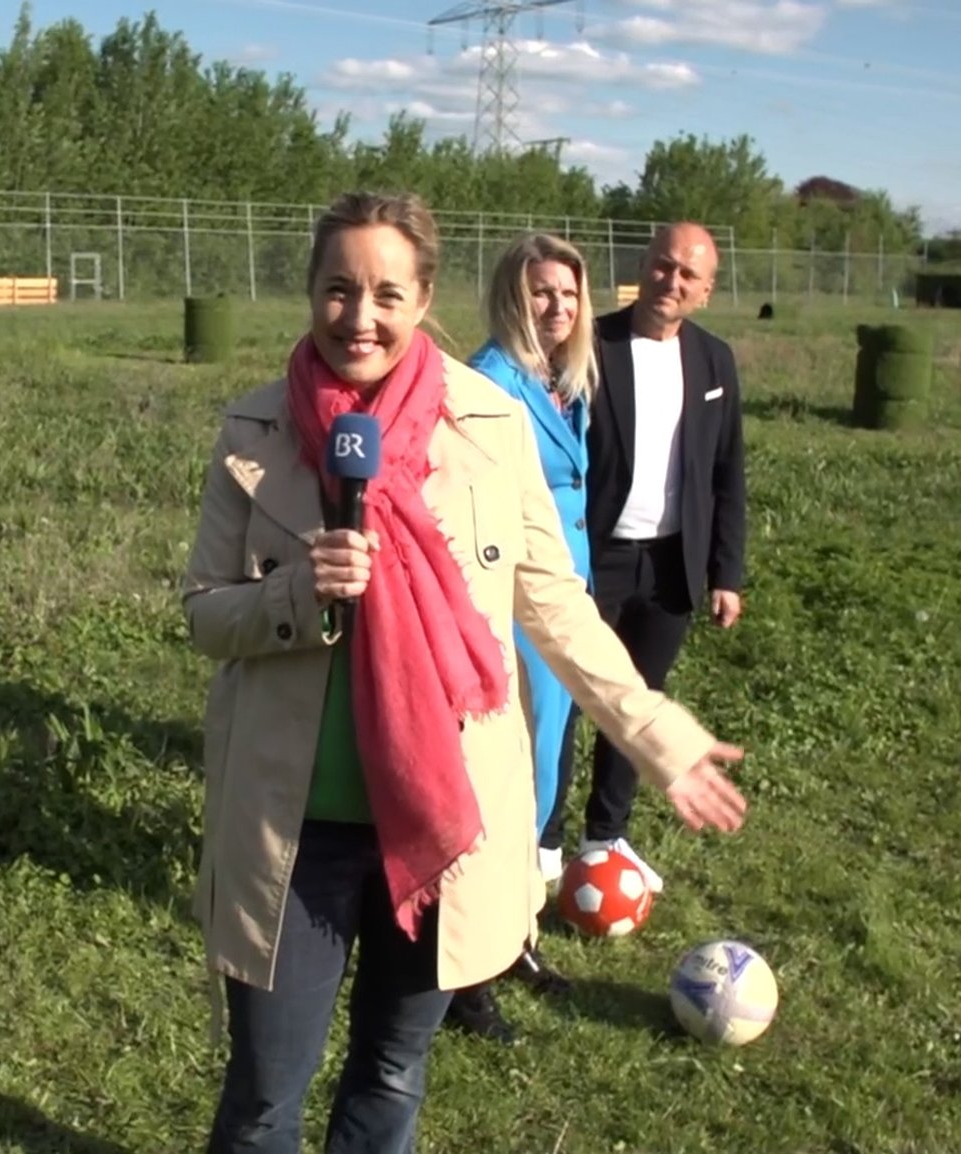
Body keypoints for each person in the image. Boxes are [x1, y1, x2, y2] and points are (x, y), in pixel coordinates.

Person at [179, 191, 748, 1154]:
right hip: (294, 830)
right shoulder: (255, 430)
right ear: (310, 293)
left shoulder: (488, 423)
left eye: (386, 293)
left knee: (392, 1075)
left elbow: (557, 604)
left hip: (442, 824)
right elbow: (203, 615)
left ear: (425, 295)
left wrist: (655, 734)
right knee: (266, 1094)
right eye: (338, 290)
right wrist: (294, 598)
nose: (360, 317)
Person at [546, 221, 749, 895]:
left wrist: (726, 572)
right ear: (644, 265)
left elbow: (728, 473)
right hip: (591, 557)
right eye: (663, 267)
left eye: (688, 276)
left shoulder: (715, 361)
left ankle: (606, 837)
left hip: (669, 566)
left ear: (707, 290)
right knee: (569, 698)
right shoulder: (591, 345)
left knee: (640, 702)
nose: (672, 282)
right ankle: (543, 840)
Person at [439, 232, 599, 1044]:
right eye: (542, 292)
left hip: (561, 599)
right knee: (502, 789)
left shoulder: (566, 382)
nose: (557, 307)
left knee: (540, 783)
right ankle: (469, 969)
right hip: (509, 605)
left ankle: (515, 936)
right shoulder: (485, 383)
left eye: (569, 295)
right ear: (512, 295)